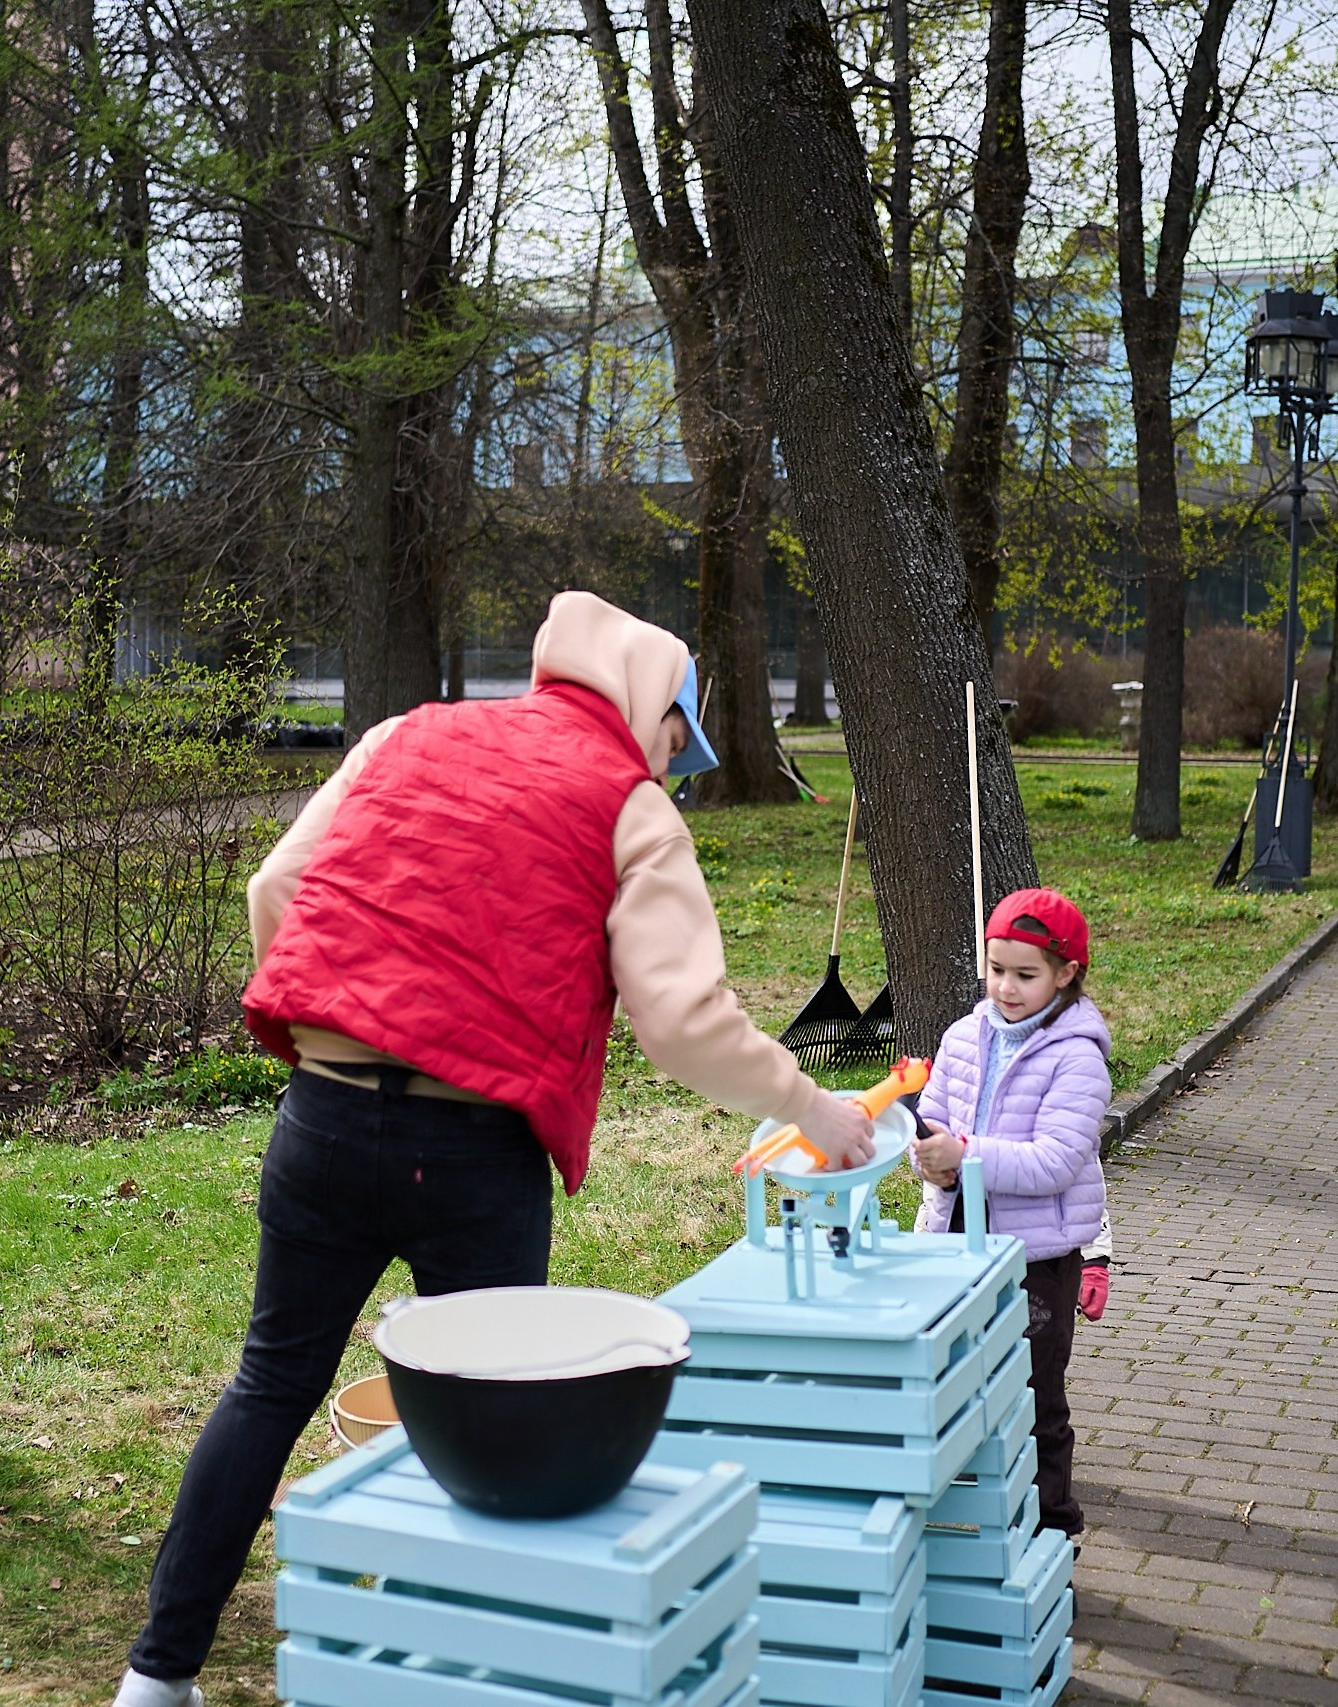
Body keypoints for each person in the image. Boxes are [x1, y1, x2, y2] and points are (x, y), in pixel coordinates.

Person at [112, 591, 876, 1707]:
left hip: (322, 1121)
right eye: (679, 744)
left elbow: (276, 889)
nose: (674, 768)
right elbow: (680, 1022)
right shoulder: (628, 806)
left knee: (270, 1385)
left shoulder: (404, 735)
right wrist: (813, 1109)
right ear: (656, 708)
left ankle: (156, 1677)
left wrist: (335, 1035)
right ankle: (475, 1669)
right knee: (493, 1413)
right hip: (476, 1153)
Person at [908, 888, 1110, 1541]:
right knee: (960, 1379)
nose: (1006, 987)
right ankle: (978, 1516)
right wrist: (930, 1160)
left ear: (1065, 972)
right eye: (996, 969)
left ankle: (1052, 1531)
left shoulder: (1077, 1055)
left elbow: (1055, 1161)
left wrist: (965, 1153)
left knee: (1033, 1394)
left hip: (1035, 1260)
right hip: (957, 1239)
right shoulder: (963, 1037)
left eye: (1025, 974)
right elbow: (932, 1121)